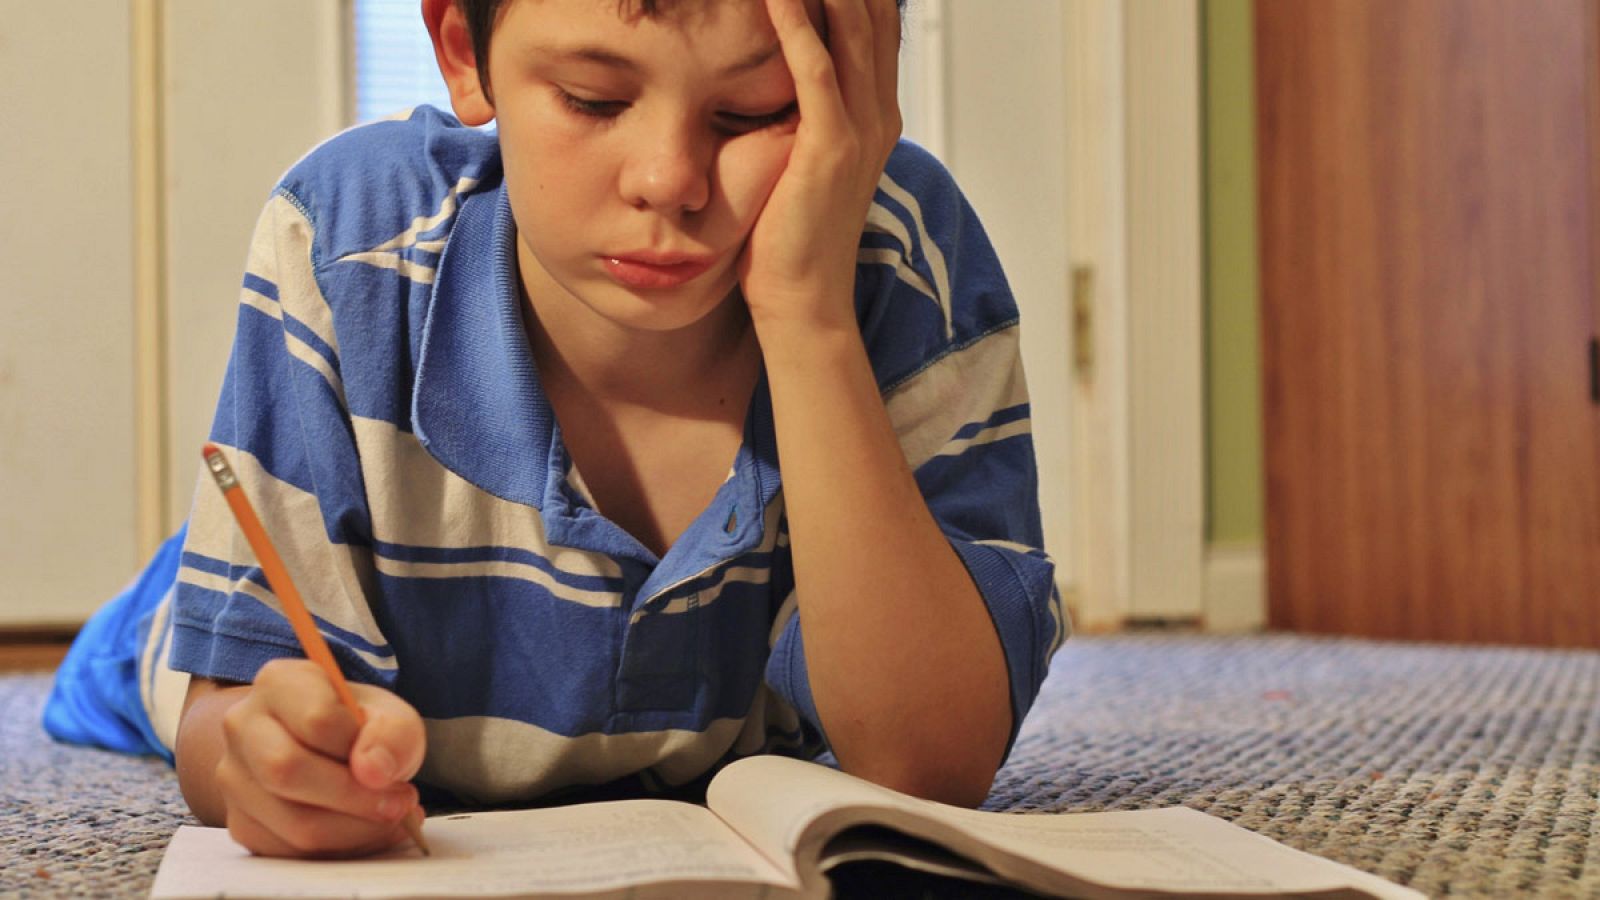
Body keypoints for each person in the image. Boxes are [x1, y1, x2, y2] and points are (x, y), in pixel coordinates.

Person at [44, 0, 1068, 859]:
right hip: (342, 578)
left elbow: (932, 764)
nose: (668, 178)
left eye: (756, 109)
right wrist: (263, 759)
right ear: (461, 49)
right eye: (593, 99)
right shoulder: (349, 243)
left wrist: (807, 317)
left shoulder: (903, 256)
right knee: (159, 638)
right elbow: (228, 720)